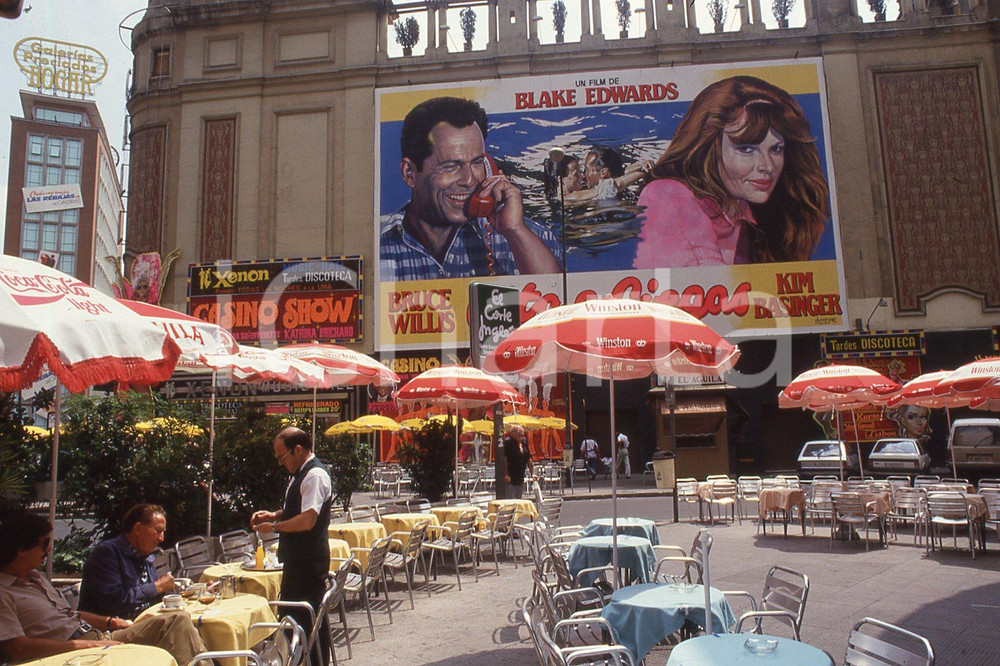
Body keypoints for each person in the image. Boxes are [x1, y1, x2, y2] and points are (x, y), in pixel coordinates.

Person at [635, 75, 829, 268]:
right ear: (710, 146)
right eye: (746, 149)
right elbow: (702, 287)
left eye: (776, 149)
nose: (768, 166)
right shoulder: (667, 195)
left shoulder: (756, 218)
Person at [380, 96, 562, 280]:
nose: (469, 180)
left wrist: (515, 231)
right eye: (450, 166)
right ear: (410, 173)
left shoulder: (527, 236)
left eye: (476, 163)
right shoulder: (377, 242)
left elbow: (556, 296)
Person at [0, 513, 206, 665]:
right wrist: (90, 646)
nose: (50, 549)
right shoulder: (4, 592)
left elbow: (71, 614)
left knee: (176, 620)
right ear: (21, 549)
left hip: (98, 636)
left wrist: (109, 622)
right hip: (73, 655)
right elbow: (15, 649)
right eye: (45, 543)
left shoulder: (37, 578)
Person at [251, 427, 333, 666]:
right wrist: (275, 515)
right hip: (299, 560)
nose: (279, 462)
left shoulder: (315, 475)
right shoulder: (301, 474)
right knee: (295, 621)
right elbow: (300, 509)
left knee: (305, 622)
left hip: (307, 562)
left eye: (281, 457)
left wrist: (275, 528)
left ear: (298, 450)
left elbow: (308, 519)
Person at [78, 504, 174, 620]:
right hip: (115, 628)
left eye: (163, 532)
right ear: (138, 529)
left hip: (145, 622)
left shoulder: (144, 555)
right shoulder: (107, 553)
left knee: (183, 617)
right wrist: (156, 587)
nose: (161, 538)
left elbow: (154, 598)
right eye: (158, 531)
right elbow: (113, 602)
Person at [503, 425, 533, 499]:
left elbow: (528, 458)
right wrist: (506, 474)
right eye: (518, 432)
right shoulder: (508, 442)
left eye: (521, 431)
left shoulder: (524, 441)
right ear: (512, 433)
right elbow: (504, 460)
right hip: (510, 475)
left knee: (519, 499)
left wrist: (532, 473)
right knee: (510, 500)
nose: (520, 433)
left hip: (520, 474)